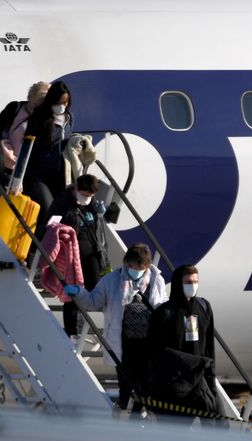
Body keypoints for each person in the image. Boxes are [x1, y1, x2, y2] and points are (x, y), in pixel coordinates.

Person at [64, 244, 167, 411]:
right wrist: (78, 292)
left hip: (147, 344)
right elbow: (93, 302)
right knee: (126, 385)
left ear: (147, 266)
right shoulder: (112, 280)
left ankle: (137, 416)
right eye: (131, 267)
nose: (134, 271)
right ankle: (125, 413)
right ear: (126, 263)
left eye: (139, 268)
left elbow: (162, 306)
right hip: (124, 344)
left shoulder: (156, 280)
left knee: (146, 385)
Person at [147, 264, 219, 422]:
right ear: (178, 284)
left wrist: (211, 380)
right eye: (188, 282)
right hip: (175, 385)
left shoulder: (204, 307)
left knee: (213, 423)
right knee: (176, 429)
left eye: (196, 282)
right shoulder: (164, 313)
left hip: (199, 380)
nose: (193, 286)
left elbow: (209, 348)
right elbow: (156, 352)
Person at [49, 174, 111, 336]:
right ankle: (71, 331)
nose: (86, 199)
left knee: (95, 287)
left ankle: (81, 318)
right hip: (71, 255)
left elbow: (96, 226)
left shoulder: (91, 204)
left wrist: (100, 214)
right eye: (83, 195)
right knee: (73, 294)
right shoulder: (62, 203)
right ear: (76, 188)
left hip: (91, 252)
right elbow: (49, 227)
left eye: (89, 196)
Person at [24, 81, 73, 223]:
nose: (62, 106)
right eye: (59, 102)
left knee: (62, 213)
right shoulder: (39, 116)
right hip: (38, 174)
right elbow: (27, 145)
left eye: (65, 102)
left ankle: (48, 235)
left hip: (59, 175)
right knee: (50, 210)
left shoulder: (69, 118)